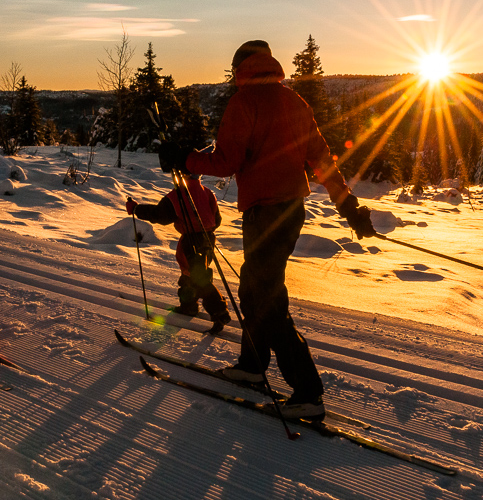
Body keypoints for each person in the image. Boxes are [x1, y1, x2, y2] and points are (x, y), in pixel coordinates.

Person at [158, 40, 375, 421]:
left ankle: (308, 392)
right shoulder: (294, 101)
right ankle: (252, 366)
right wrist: (348, 206)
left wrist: (184, 157)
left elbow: (226, 162)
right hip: (291, 211)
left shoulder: (244, 103)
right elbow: (322, 159)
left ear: (241, 67)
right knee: (254, 289)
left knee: (268, 300)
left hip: (264, 214)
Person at [126, 175, 231, 334]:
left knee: (198, 278)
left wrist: (136, 209)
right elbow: (217, 220)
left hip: (191, 240)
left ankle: (220, 313)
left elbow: (159, 215)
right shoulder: (207, 192)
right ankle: (189, 306)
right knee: (192, 274)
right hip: (208, 239)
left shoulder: (177, 195)